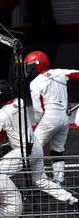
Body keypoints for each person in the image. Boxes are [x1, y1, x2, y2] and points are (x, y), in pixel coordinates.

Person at [0, 80, 77, 206]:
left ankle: (11, 201)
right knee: (41, 181)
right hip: (35, 147)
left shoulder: (1, 116)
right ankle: (72, 199)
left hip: (22, 152)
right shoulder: (20, 102)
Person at [26, 51, 79, 187]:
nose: (28, 69)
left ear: (37, 65)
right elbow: (77, 73)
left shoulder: (35, 83)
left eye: (30, 66)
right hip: (65, 118)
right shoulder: (60, 72)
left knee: (33, 149)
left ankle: (38, 180)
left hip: (48, 118)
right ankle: (58, 180)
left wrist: (40, 123)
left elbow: (38, 109)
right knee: (58, 150)